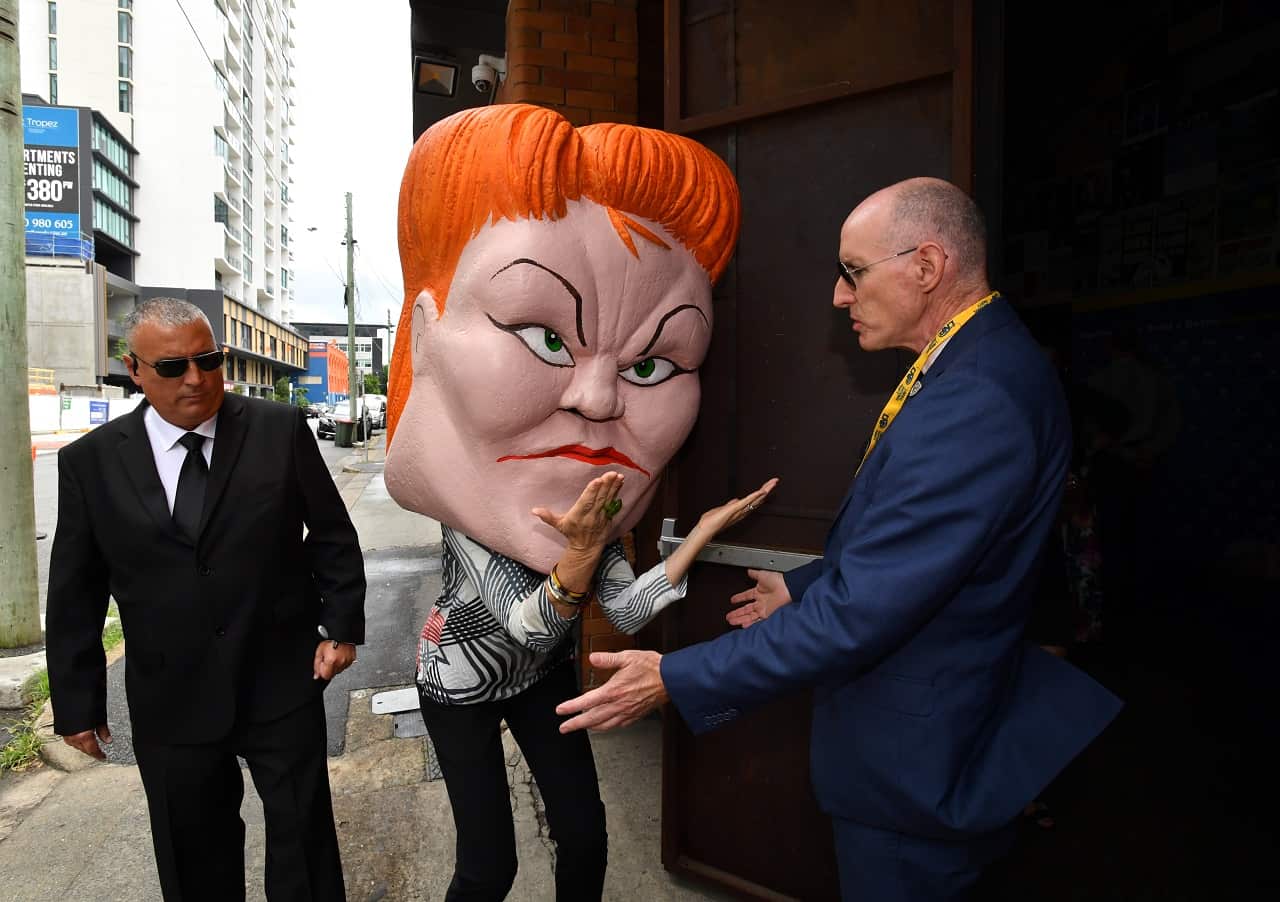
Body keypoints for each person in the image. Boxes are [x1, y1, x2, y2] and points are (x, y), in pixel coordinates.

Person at [556, 177, 1124, 901]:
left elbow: (866, 610)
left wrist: (675, 677)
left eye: (853, 271)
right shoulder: (972, 362)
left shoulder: (978, 396)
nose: (838, 294)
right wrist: (802, 585)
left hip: (918, 762)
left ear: (926, 266)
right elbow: (921, 550)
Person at [383, 104, 772, 900]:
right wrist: (581, 559)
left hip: (539, 678)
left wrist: (693, 538)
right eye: (544, 335)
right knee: (489, 862)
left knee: (585, 833)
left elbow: (625, 612)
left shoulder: (585, 509)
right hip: (459, 680)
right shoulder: (485, 527)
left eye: (653, 364)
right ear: (426, 335)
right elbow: (527, 618)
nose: (597, 400)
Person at [46, 297, 365, 901]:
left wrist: (340, 626)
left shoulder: (278, 430)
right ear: (133, 369)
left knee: (304, 841)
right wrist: (77, 703)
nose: (195, 379)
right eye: (172, 367)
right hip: (172, 698)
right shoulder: (89, 464)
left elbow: (331, 536)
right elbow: (74, 592)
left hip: (282, 680)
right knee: (194, 856)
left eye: (208, 360)